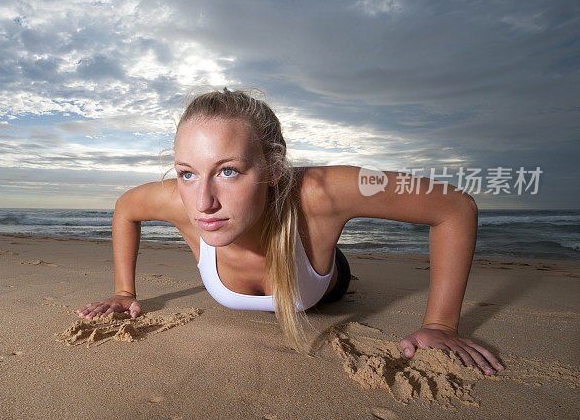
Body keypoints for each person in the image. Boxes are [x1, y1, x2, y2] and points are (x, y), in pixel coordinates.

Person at [76, 88, 504, 375]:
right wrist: (124, 292)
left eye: (228, 171)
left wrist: (441, 325)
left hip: (323, 274)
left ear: (272, 170)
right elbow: (125, 208)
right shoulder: (180, 201)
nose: (203, 201)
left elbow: (455, 207)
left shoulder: (320, 192)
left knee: (334, 266)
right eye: (187, 173)